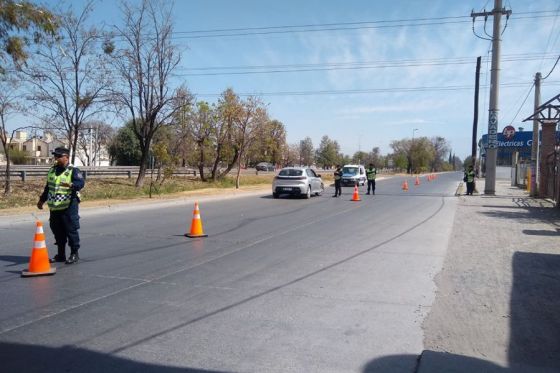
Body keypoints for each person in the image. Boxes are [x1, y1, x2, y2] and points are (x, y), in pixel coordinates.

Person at [37, 147, 85, 264]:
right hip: (55, 207)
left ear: (66, 157)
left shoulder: (73, 170)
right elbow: (48, 187)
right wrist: (41, 200)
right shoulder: (52, 170)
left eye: (59, 156)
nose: (56, 158)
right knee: (57, 231)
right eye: (55, 156)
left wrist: (72, 185)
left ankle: (74, 253)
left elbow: (81, 183)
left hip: (69, 206)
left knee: (71, 230)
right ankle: (61, 255)